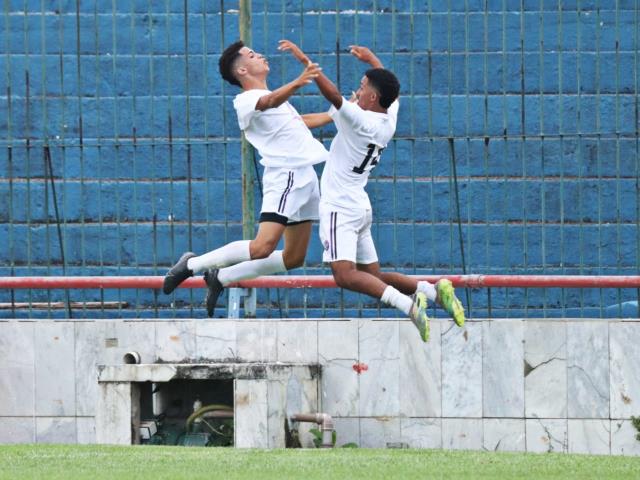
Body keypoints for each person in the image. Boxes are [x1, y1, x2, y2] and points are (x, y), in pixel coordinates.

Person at [278, 40, 465, 341]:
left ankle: (409, 307)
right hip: (360, 207)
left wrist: (305, 62)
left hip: (340, 207)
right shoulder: (387, 117)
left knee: (345, 275)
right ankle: (433, 292)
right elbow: (391, 88)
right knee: (372, 277)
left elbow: (334, 96)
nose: (359, 89)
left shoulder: (360, 119)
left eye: (363, 86)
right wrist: (373, 60)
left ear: (373, 96)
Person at [163, 40, 327, 317]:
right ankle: (191, 265)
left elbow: (301, 120)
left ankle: (220, 278)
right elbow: (269, 102)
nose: (260, 55)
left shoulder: (276, 98)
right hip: (286, 177)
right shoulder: (246, 101)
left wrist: (341, 111)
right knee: (262, 247)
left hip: (306, 176)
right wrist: (299, 81)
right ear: (241, 69)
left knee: (294, 257)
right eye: (252, 54)